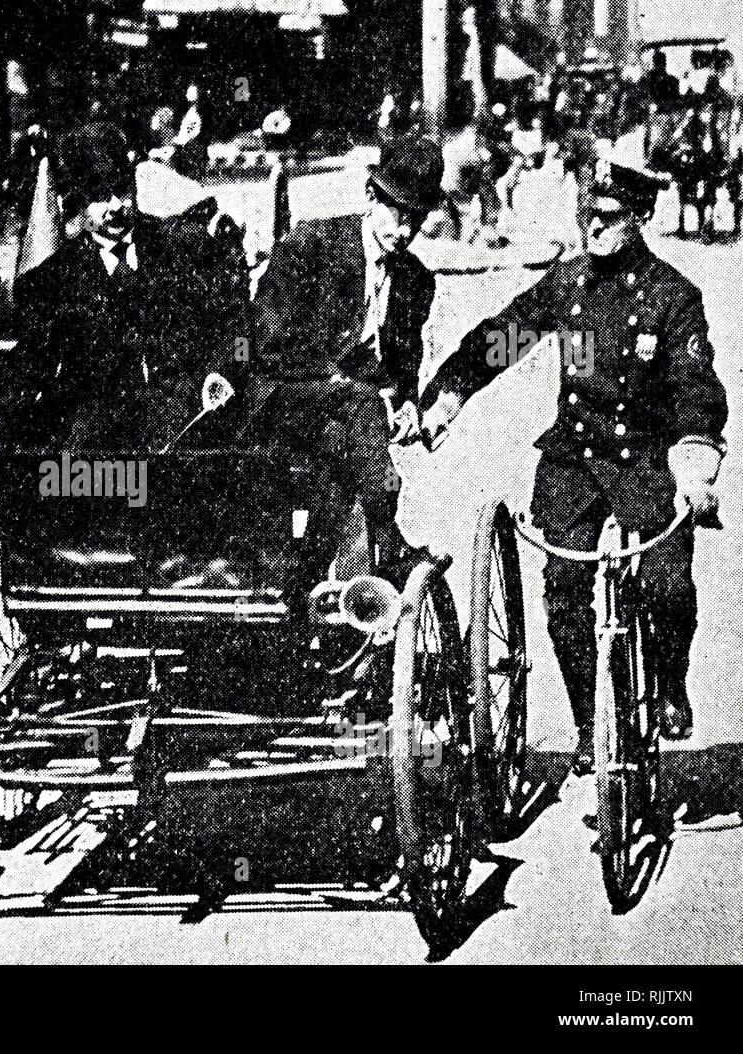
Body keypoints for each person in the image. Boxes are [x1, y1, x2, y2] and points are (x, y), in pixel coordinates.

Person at [420, 157, 727, 774]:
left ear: (639, 218)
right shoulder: (568, 284)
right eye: (590, 215)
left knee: (667, 587)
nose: (595, 229)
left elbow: (695, 387)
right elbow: (504, 336)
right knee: (561, 595)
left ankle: (669, 683)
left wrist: (693, 461)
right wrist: (450, 394)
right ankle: (591, 724)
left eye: (610, 218)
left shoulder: (674, 296)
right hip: (575, 459)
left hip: (646, 459)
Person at [241, 135, 445, 574]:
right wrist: (342, 382)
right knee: (361, 408)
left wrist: (408, 401)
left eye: (417, 218)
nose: (405, 231)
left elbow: (404, 358)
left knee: (344, 456)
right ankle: (388, 547)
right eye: (397, 213)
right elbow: (270, 342)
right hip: (287, 396)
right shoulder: (311, 246)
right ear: (370, 195)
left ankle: (320, 582)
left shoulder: (416, 281)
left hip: (348, 421)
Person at [0, 121, 248, 456]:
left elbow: (235, 322)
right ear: (75, 203)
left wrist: (223, 373)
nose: (114, 205)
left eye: (121, 190)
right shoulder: (55, 280)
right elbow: (25, 366)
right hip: (104, 446)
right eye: (97, 196)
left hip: (189, 421)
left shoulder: (183, 248)